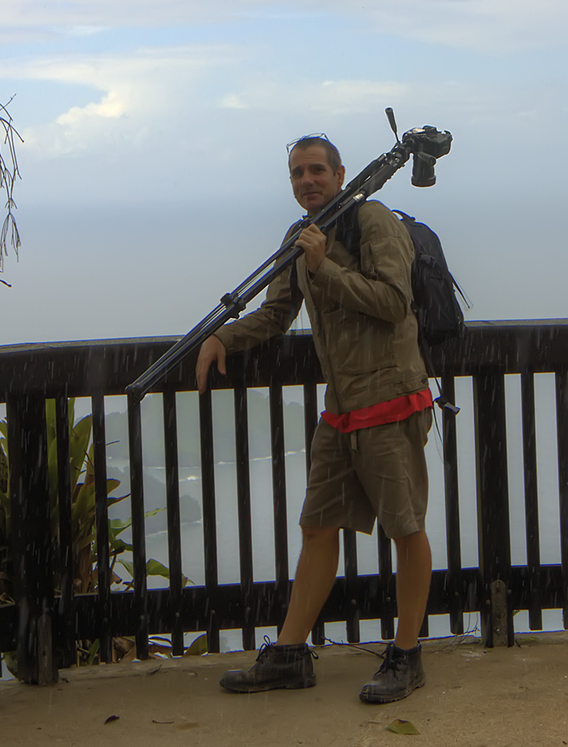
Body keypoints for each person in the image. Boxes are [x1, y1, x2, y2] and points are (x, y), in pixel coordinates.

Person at [195, 134, 433, 704]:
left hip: (391, 402)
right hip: (342, 412)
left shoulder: (372, 221)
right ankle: (289, 654)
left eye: (317, 170)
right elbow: (278, 313)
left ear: (339, 173)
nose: (307, 181)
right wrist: (223, 336)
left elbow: (394, 301)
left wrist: (324, 268)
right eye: (297, 173)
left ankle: (407, 655)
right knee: (318, 527)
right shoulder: (300, 237)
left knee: (405, 529)